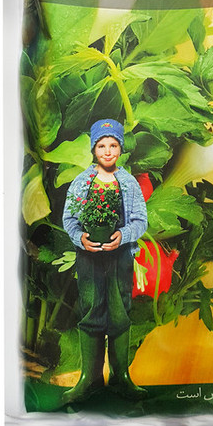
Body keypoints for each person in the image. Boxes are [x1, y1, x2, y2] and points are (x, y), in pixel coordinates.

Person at [62, 118, 148, 402]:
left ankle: (121, 378)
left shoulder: (129, 183)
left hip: (120, 258)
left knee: (120, 313)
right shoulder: (81, 182)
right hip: (89, 259)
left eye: (113, 145)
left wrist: (123, 236)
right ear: (93, 149)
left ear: (120, 149)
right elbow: (69, 219)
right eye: (102, 146)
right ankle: (90, 379)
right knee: (91, 311)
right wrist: (80, 238)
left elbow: (140, 221)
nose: (108, 151)